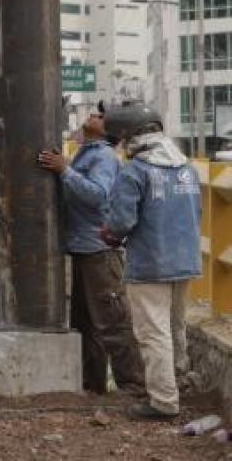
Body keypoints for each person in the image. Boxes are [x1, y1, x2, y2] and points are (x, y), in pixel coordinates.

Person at [100, 102, 201, 421]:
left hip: (150, 265)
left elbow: (120, 223)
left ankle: (163, 401)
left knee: (153, 332)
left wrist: (110, 234)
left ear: (128, 138)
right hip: (184, 259)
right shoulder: (188, 168)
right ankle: (178, 380)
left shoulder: (136, 172)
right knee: (175, 326)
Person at [38, 107, 145, 396]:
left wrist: (64, 170)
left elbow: (98, 195)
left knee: (111, 322)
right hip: (85, 249)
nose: (92, 116)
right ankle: (92, 384)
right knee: (86, 324)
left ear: (109, 130)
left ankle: (133, 386)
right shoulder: (87, 152)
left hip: (99, 251)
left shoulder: (103, 157)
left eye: (99, 115)